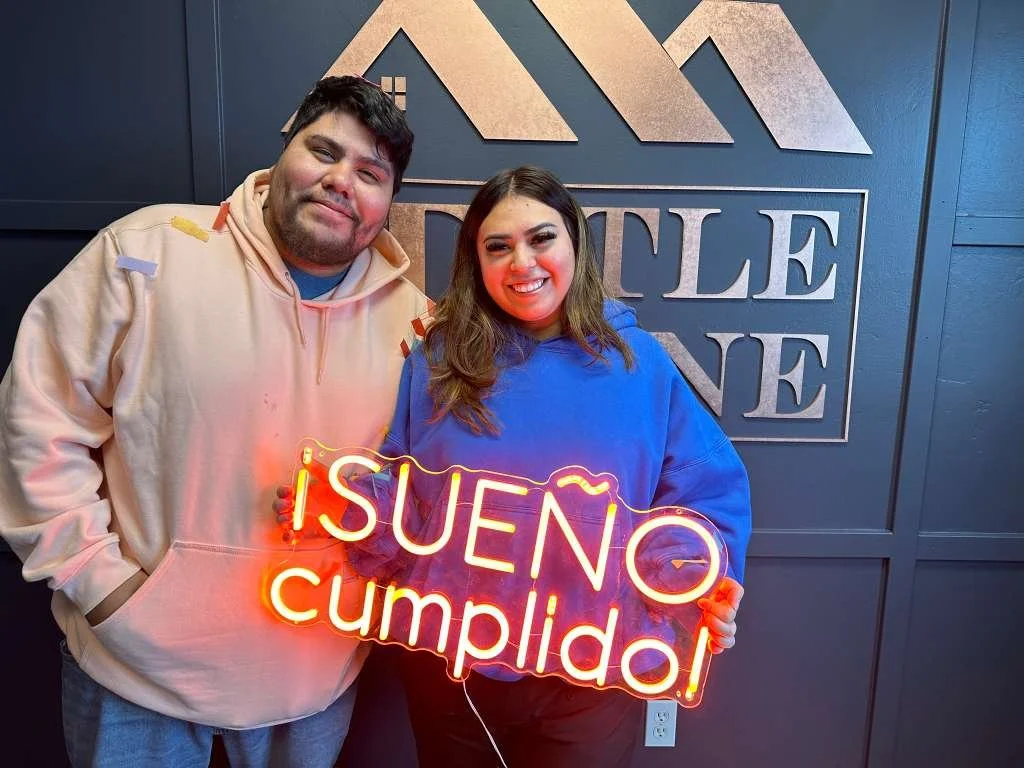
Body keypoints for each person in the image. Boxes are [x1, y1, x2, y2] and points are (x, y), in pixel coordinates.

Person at [0, 75, 429, 767]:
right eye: (323, 151)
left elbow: (421, 487)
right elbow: (38, 418)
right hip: (133, 672)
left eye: (370, 174)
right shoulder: (147, 251)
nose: (340, 181)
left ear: (388, 203)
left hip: (314, 675)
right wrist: (100, 586)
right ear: (284, 153)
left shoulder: (414, 321)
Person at [276, 165, 752, 767]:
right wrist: (346, 509)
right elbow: (404, 504)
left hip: (591, 672)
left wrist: (693, 587)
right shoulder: (439, 361)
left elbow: (705, 492)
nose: (521, 262)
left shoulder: (638, 364)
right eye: (497, 247)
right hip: (451, 666)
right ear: (476, 263)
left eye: (541, 238)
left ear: (575, 242)